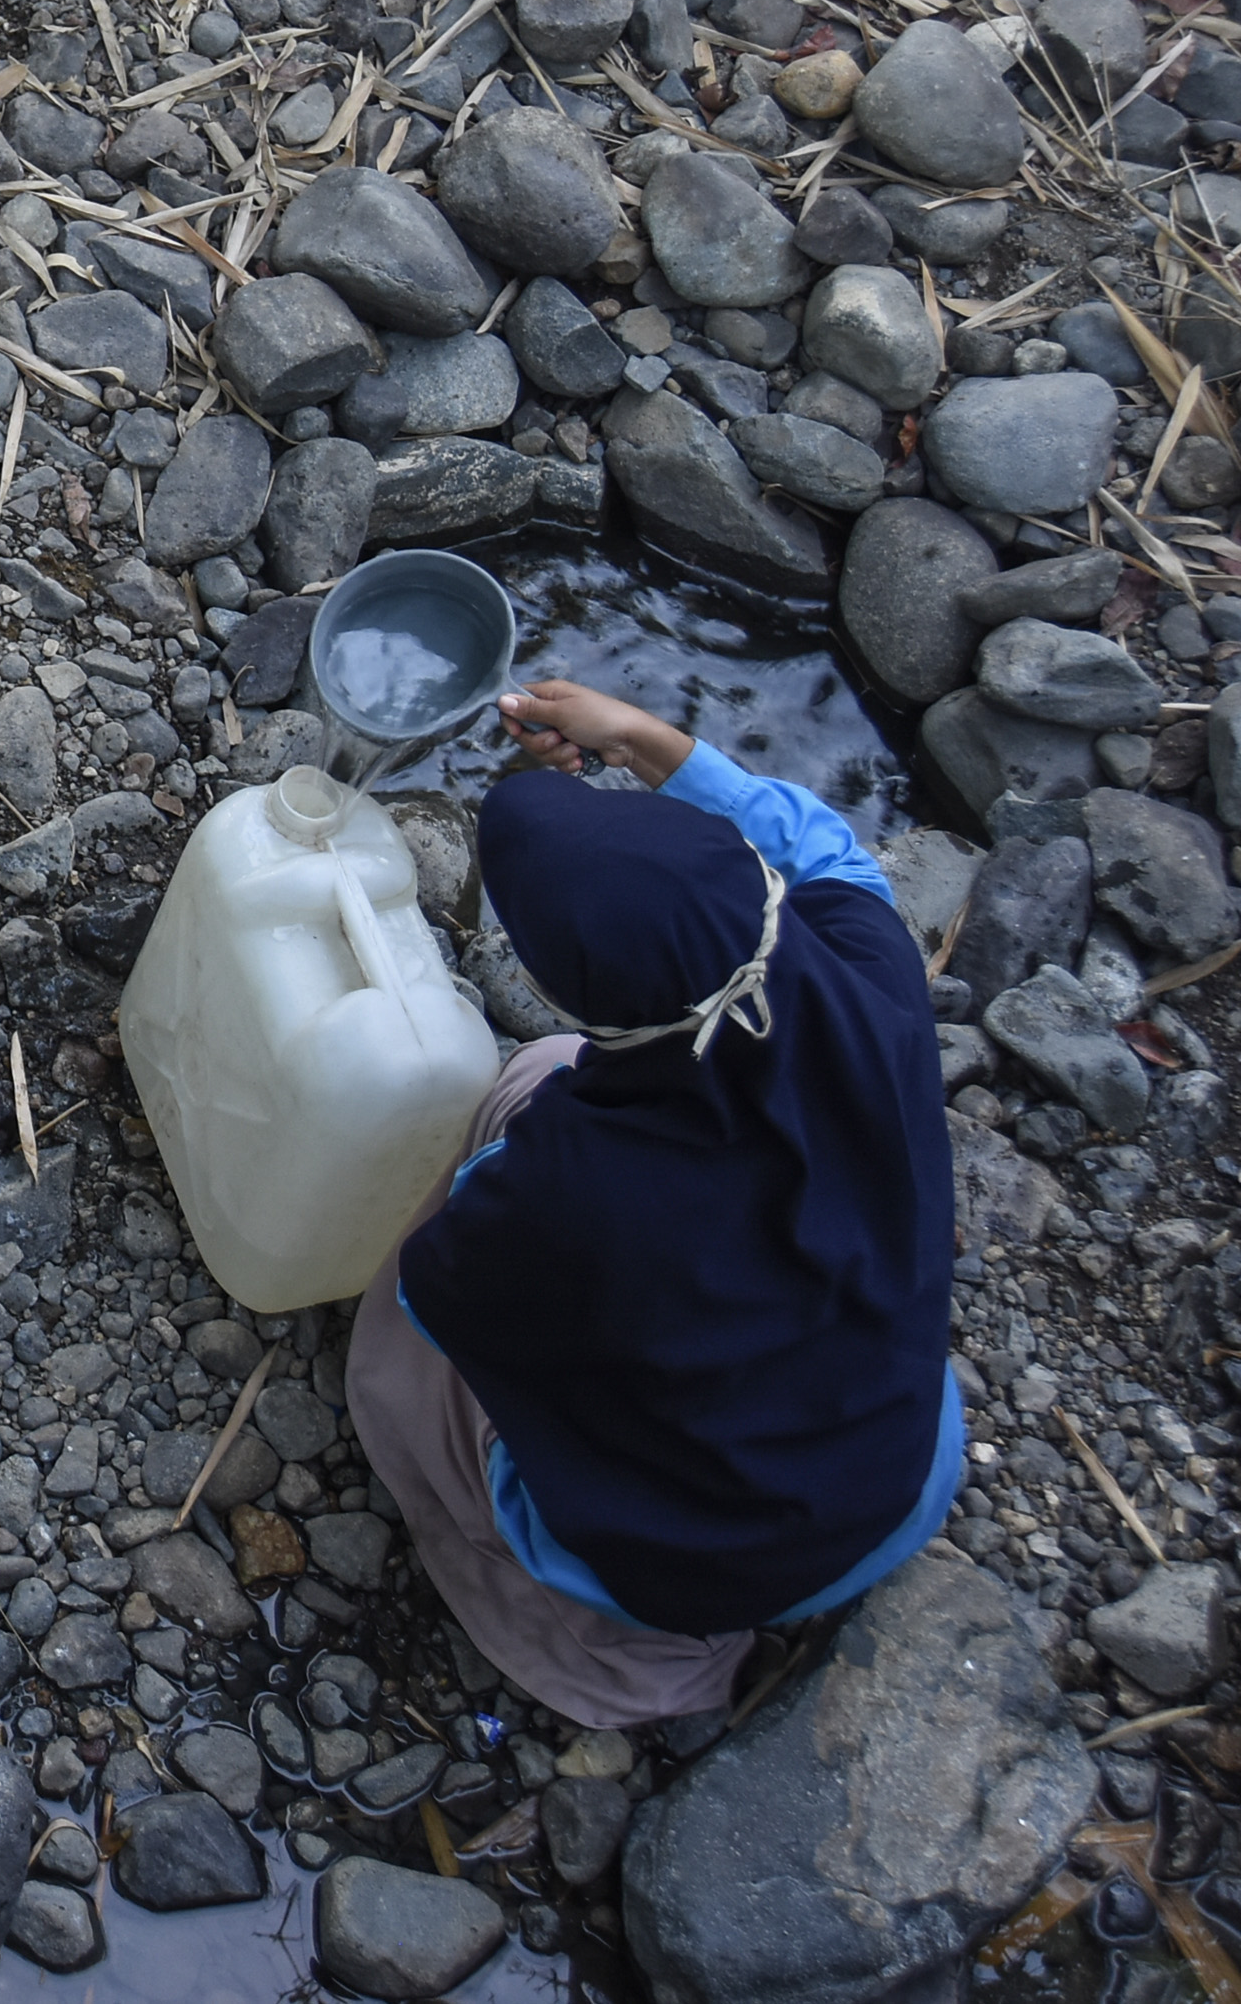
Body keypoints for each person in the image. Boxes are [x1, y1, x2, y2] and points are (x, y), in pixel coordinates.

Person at [342, 677, 962, 1729]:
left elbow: (447, 1290)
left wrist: (495, 1188)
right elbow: (820, 850)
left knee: (405, 1353)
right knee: (548, 1077)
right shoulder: (871, 975)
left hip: (716, 1559)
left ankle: (615, 1653)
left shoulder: (578, 1198)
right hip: (904, 1470)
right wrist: (637, 740)